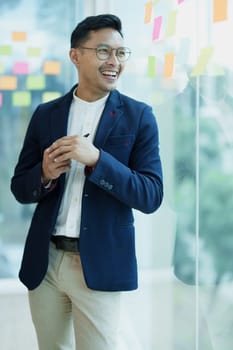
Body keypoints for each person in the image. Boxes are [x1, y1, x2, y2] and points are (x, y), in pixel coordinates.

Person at [11, 14, 163, 350]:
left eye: (121, 53)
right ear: (75, 55)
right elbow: (20, 187)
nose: (114, 62)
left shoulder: (139, 116)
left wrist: (97, 160)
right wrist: (45, 174)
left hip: (99, 265)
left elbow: (151, 195)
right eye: (104, 51)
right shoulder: (45, 114)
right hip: (46, 261)